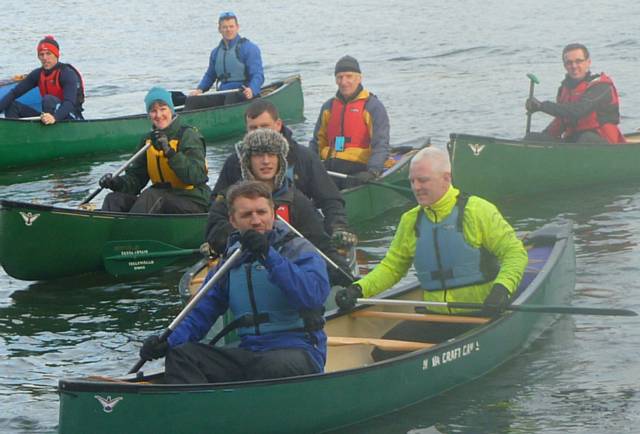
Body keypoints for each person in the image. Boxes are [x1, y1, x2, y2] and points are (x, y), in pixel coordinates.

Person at [334, 147, 528, 357]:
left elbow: (515, 253)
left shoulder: (478, 210)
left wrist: (502, 290)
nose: (416, 187)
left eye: (423, 180)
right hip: (436, 316)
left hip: (481, 314)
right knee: (380, 353)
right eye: (412, 181)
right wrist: (358, 289)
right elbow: (392, 268)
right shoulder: (410, 220)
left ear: (446, 178)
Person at [140, 180, 330, 384]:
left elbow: (313, 296)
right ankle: (195, 410)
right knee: (182, 355)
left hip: (299, 352)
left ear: (273, 214)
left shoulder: (298, 250)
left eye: (261, 212)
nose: (256, 221)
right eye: (247, 215)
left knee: (267, 366)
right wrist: (166, 342)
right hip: (251, 353)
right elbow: (198, 315)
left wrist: (268, 255)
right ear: (233, 220)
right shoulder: (229, 263)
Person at [206, 128, 353, 286]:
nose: (266, 161)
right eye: (258, 155)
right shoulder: (229, 198)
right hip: (244, 273)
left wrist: (344, 273)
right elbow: (214, 234)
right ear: (247, 160)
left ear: (280, 160)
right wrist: (247, 238)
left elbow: (319, 243)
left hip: (287, 276)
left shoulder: (296, 200)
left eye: (272, 155)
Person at [211, 99, 355, 247]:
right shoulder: (234, 162)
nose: (266, 161)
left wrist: (338, 228)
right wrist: (233, 237)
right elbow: (217, 206)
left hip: (299, 230)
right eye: (254, 128)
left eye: (265, 126)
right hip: (247, 240)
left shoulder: (304, 158)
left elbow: (330, 200)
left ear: (278, 125)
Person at [98, 86, 211, 213]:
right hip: (161, 200)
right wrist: (116, 183)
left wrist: (170, 152)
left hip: (194, 200)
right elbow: (135, 181)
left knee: (151, 196)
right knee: (114, 199)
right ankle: (106, 229)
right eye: (153, 111)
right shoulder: (147, 140)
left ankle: (130, 231)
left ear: (171, 110)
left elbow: (196, 176)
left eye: (163, 109)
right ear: (149, 115)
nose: (159, 115)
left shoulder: (189, 135)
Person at [309, 55, 390, 189]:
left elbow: (381, 143)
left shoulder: (373, 106)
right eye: (339, 77)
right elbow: (317, 141)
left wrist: (373, 171)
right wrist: (308, 165)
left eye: (349, 76)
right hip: (331, 168)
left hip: (359, 170)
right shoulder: (328, 107)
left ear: (359, 78)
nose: (344, 81)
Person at [525, 43, 625, 144]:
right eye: (569, 63)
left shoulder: (601, 86)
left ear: (588, 62)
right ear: (564, 65)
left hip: (605, 143)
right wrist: (543, 137)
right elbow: (561, 120)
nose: (574, 66)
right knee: (533, 138)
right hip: (575, 140)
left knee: (586, 138)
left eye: (579, 61)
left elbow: (578, 111)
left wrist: (541, 106)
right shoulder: (564, 89)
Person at [0, 35, 84, 124]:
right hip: (48, 117)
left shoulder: (67, 73)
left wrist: (55, 118)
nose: (44, 58)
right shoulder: (37, 74)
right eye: (41, 54)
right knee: (12, 106)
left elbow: (69, 103)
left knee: (48, 100)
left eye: (48, 54)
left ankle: (50, 131)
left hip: (70, 115)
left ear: (56, 55)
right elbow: (14, 93)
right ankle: (16, 135)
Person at [189, 11, 264, 104]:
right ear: (219, 29)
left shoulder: (249, 48)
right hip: (224, 92)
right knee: (193, 100)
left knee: (230, 100)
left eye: (231, 26)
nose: (228, 30)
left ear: (237, 27)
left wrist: (252, 89)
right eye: (224, 27)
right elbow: (210, 75)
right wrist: (200, 90)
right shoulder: (215, 52)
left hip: (243, 91)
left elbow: (258, 75)